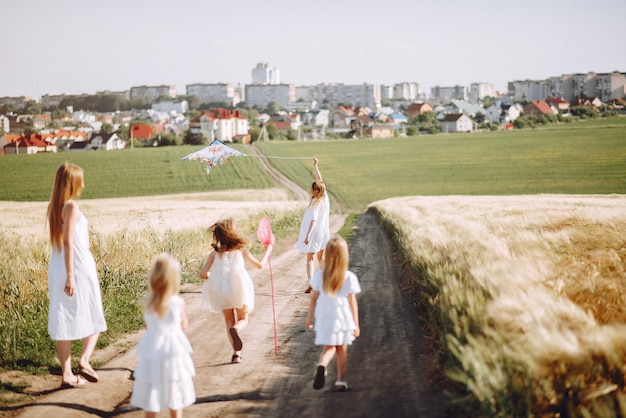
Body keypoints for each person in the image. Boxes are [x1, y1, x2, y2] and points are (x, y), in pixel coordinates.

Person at [47, 163, 107, 388]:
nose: (84, 183)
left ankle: (66, 374)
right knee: (92, 310)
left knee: (64, 315)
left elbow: (62, 243)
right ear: (73, 183)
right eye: (80, 179)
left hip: (58, 264)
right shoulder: (71, 207)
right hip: (76, 265)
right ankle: (84, 360)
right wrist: (71, 276)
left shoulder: (55, 206)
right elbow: (69, 242)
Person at [131, 253, 196, 418]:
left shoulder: (147, 302)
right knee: (174, 389)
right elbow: (183, 324)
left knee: (152, 388)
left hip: (153, 349)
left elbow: (147, 326)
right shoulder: (177, 302)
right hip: (173, 351)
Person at [200, 218, 273, 363]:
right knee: (242, 319)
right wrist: (268, 249)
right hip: (239, 287)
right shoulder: (241, 250)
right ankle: (237, 330)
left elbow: (203, 274)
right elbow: (259, 265)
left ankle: (236, 354)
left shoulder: (215, 253)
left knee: (228, 319)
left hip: (221, 288)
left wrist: (213, 277)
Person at [305, 235, 361, 392]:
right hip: (341, 315)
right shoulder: (349, 277)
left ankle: (322, 365)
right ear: (344, 256)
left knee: (328, 348)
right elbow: (352, 302)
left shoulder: (319, 276)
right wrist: (356, 324)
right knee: (341, 349)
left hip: (325, 315)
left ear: (327, 255)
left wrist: (309, 318)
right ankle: (341, 381)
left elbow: (313, 299)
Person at [296, 158, 330, 293]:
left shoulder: (315, 203)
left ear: (316, 191)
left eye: (313, 189)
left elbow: (313, 220)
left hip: (314, 233)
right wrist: (315, 166)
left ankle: (311, 282)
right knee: (321, 258)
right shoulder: (325, 198)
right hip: (323, 233)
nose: (311, 190)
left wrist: (307, 236)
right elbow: (320, 180)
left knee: (310, 259)